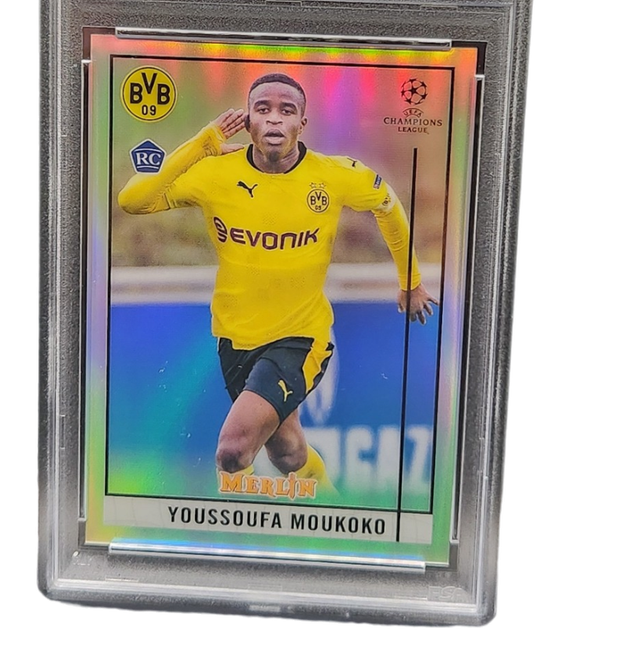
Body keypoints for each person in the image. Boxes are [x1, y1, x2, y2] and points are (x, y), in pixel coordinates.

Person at [118, 73, 435, 494]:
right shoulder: (214, 173)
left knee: (233, 451)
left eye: (286, 111)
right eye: (262, 109)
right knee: (287, 452)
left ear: (302, 123)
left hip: (301, 338)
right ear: (247, 120)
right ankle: (331, 503)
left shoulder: (334, 176)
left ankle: (244, 530)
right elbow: (133, 200)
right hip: (235, 336)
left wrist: (411, 281)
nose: (273, 119)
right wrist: (202, 144)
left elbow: (388, 206)